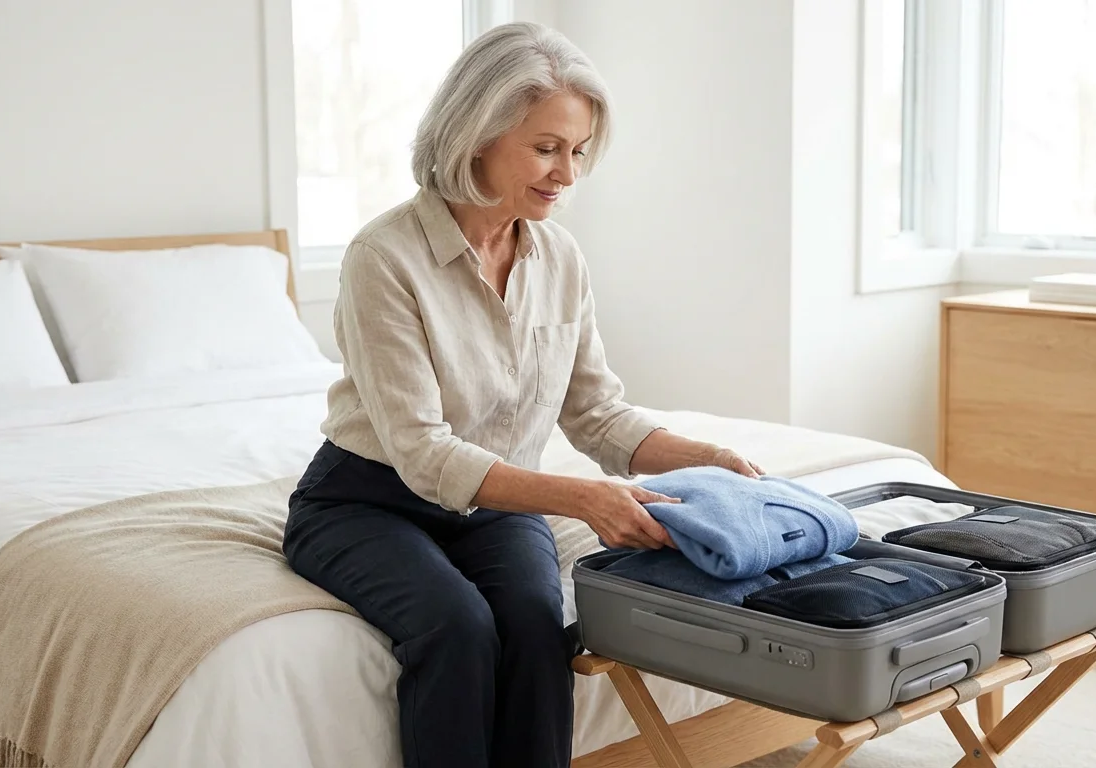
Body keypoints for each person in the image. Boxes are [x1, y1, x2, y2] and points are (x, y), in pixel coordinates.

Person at [281, 21, 764, 768]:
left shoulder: (560, 257)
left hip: (498, 501)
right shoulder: (384, 257)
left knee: (540, 624)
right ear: (476, 135)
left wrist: (703, 456)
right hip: (367, 500)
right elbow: (420, 451)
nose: (566, 174)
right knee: (456, 625)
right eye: (546, 148)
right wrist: (585, 499)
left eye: (577, 152)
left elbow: (596, 413)